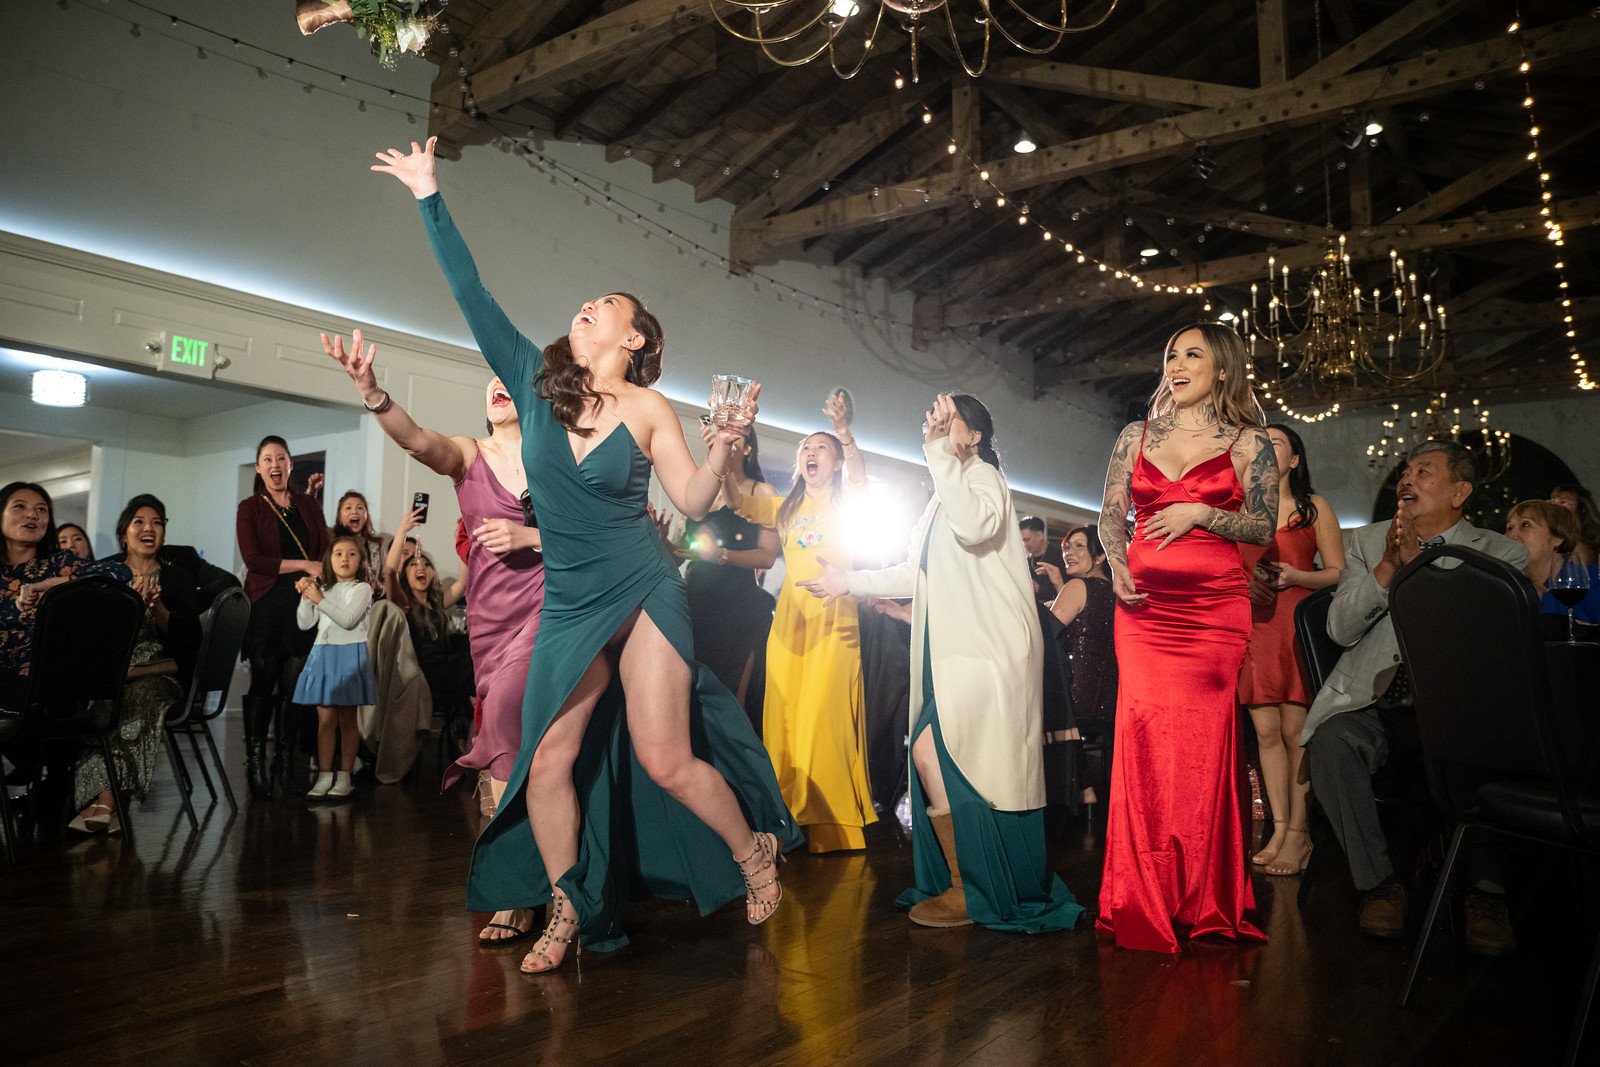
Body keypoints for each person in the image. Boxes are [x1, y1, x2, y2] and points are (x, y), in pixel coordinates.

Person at [376, 136, 797, 974]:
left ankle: (750, 850)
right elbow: (471, 293)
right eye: (586, 300)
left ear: (634, 336)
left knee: (664, 756)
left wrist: (723, 449)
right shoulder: (533, 382)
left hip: (643, 589)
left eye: (606, 303)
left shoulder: (647, 406)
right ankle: (567, 906)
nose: (587, 307)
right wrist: (428, 193)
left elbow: (693, 501)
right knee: (549, 761)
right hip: (568, 601)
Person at [799, 393, 1082, 931]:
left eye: (946, 422)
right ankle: (964, 883)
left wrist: (938, 453)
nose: (933, 429)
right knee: (934, 753)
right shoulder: (941, 500)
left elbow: (975, 527)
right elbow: (913, 571)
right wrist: (847, 582)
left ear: (973, 436)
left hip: (991, 646)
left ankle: (975, 888)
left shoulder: (983, 481)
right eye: (930, 421)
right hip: (957, 646)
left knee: (962, 760)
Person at [323, 329, 548, 947]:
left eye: (513, 378)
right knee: (512, 746)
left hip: (550, 612)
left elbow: (592, 537)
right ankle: (532, 879)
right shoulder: (469, 455)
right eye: (492, 378)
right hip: (489, 624)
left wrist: (534, 539)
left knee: (504, 721)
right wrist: (372, 393)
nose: (499, 384)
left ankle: (523, 890)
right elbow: (416, 439)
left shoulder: (558, 462)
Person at [1095, 321, 1278, 954]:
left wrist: (1202, 513)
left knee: (1203, 747)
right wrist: (1117, 567)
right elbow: (1109, 516)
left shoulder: (1252, 443)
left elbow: (1260, 528)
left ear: (1222, 368)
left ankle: (1204, 895)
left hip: (1213, 614)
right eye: (1171, 352)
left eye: (1192, 354)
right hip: (1143, 613)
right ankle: (1141, 894)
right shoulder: (1134, 435)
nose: (1177, 363)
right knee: (1142, 739)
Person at [1302, 441, 1526, 953]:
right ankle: (1380, 884)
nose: (1407, 479)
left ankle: (1486, 894)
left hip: (1458, 706)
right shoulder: (1366, 542)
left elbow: (1497, 640)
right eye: (1405, 471)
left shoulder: (1501, 552)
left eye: (1424, 472)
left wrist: (1420, 570)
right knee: (1332, 742)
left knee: (1485, 744)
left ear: (1460, 492)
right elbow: (1338, 629)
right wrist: (1387, 570)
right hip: (1377, 701)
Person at [723, 391, 874, 853]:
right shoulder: (786, 509)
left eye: (821, 448)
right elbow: (737, 501)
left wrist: (844, 433)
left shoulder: (849, 503)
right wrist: (727, 454)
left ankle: (833, 825)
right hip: (790, 621)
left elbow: (862, 479)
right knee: (785, 716)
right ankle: (787, 819)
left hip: (834, 619)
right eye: (805, 448)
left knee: (824, 717)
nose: (811, 453)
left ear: (836, 461)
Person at [1239, 424, 1345, 878]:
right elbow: (1226, 570)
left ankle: (1300, 834)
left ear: (1295, 459)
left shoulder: (1314, 506)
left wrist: (1298, 577)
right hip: (1256, 625)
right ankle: (1280, 829)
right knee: (1264, 733)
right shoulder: (1241, 508)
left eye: (1276, 443)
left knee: (1296, 730)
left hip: (1298, 624)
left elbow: (1339, 573)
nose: (1265, 449)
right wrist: (1247, 586)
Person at [70, 494, 203, 834]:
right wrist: (128, 607)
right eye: (139, 522)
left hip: (159, 673)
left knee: (135, 698)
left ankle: (106, 799)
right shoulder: (106, 573)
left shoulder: (178, 578)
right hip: (112, 672)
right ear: (124, 532)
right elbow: (90, 635)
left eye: (156, 522)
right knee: (100, 702)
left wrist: (156, 609)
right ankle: (105, 803)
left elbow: (188, 641)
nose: (148, 528)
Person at [236, 436, 331, 798]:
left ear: (290, 464)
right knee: (264, 680)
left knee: (296, 683)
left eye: (281, 458)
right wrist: (303, 564)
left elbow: (322, 546)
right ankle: (255, 760)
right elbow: (253, 559)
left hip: (304, 599)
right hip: (265, 602)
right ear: (259, 468)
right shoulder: (250, 507)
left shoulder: (307, 504)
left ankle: (287, 757)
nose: (275, 465)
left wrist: (312, 572)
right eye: (267, 459)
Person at [1, 482, 131, 714]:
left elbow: (119, 572)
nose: (32, 514)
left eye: (42, 510)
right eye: (20, 506)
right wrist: (15, 606)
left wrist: (54, 585)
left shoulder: (60, 563)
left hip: (50, 682)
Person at [682, 423, 779, 726]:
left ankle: (731, 769)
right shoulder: (699, 487)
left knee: (729, 696)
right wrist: (667, 545)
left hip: (737, 608)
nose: (727, 442)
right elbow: (691, 551)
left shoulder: (760, 491)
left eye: (736, 439)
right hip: (694, 602)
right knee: (687, 693)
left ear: (748, 449)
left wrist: (723, 556)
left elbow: (767, 556)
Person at [292, 536, 377, 800]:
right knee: (325, 719)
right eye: (338, 553)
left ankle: (345, 775)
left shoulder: (362, 588)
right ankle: (324, 774)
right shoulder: (324, 588)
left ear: (360, 561)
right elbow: (305, 624)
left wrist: (318, 598)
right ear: (330, 559)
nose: (344, 558)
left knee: (347, 720)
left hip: (349, 654)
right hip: (323, 655)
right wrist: (307, 597)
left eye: (352, 554)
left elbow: (349, 620)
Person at [1048, 525, 1118, 810]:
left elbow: (1047, 632)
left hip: (1077, 696)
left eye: (1078, 546)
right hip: (1111, 699)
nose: (1069, 553)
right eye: (1066, 547)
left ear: (1099, 556)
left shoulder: (1077, 586)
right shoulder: (1115, 591)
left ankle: (1082, 787)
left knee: (1034, 700)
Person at [1505, 499, 1589, 640]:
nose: (1511, 535)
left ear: (1557, 537)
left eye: (1525, 525)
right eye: (1509, 527)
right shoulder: (1509, 588)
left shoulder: (1588, 581)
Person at [331, 490, 387, 593]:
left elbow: (386, 580)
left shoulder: (377, 545)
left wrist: (378, 586)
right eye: (348, 508)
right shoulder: (330, 540)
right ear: (339, 515)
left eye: (360, 508)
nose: (354, 512)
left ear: (366, 514)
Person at [1549, 483, 1599, 566]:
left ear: (1582, 509)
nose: (1554, 507)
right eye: (1552, 501)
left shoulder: (1581, 548)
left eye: (1563, 502)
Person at [1021, 516, 1066, 604]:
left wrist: (1037, 587)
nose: (1025, 544)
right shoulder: (1027, 560)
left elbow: (1066, 588)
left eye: (1027, 540)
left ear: (1040, 535)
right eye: (1022, 541)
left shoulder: (1059, 557)